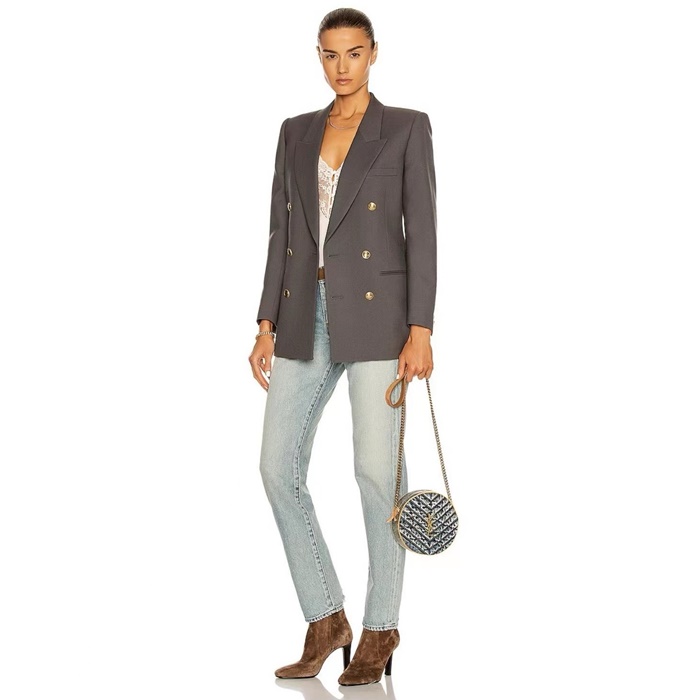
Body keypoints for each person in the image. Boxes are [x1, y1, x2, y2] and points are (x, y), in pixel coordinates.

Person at [248, 7, 437, 687]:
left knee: (376, 473)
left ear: (374, 54)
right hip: (306, 311)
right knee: (277, 466)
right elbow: (282, 232)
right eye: (330, 54)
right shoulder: (295, 132)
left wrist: (421, 328)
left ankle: (381, 626)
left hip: (380, 317)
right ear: (318, 57)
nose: (342, 67)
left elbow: (423, 230)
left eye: (354, 53)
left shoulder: (405, 127)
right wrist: (265, 322)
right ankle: (326, 618)